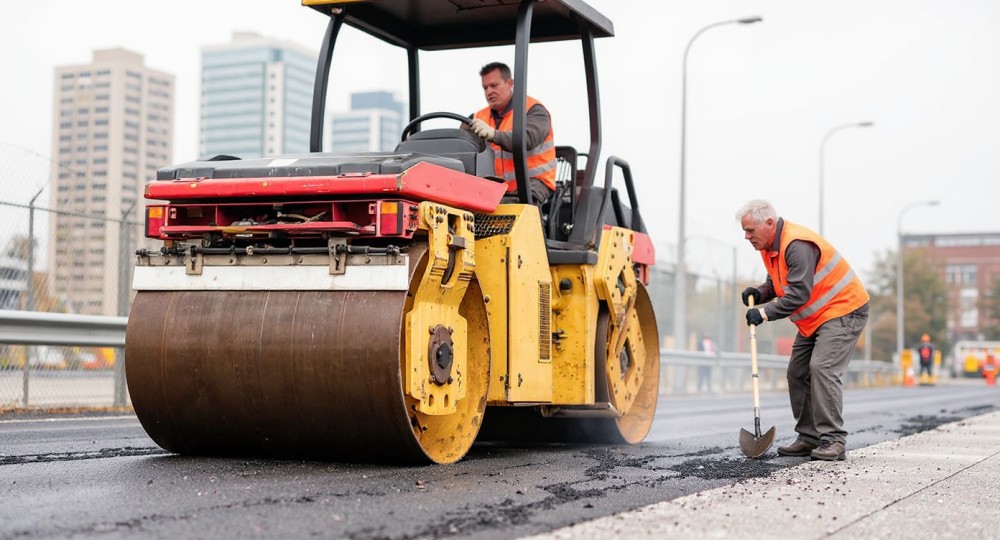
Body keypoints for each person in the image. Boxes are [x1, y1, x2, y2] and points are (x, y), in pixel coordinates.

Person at [736, 199, 869, 461]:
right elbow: (777, 283)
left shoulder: (796, 245)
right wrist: (760, 293)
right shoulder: (769, 247)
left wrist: (763, 313)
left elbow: (798, 293)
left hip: (844, 310)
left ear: (770, 223)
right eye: (745, 231)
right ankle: (809, 437)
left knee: (822, 368)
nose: (746, 236)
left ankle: (833, 440)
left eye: (750, 230)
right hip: (816, 319)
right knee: (797, 373)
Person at [467, 62, 556, 206]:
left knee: (518, 209)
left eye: (494, 85)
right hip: (495, 187)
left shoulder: (533, 110)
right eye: (485, 87)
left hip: (533, 181)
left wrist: (494, 135)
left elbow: (527, 139)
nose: (489, 92)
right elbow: (460, 145)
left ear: (510, 83)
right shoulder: (477, 117)